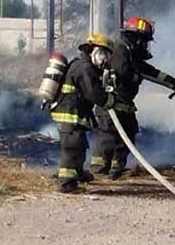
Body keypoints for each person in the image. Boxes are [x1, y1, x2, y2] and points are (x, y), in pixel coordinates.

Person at [90, 16, 175, 179]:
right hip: (110, 105)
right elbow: (122, 69)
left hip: (124, 105)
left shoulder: (132, 56)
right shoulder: (119, 49)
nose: (145, 45)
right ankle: (99, 169)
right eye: (144, 41)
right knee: (108, 137)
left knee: (128, 134)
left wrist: (173, 82)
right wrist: (135, 76)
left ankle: (116, 169)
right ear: (136, 38)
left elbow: (152, 73)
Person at [51, 34, 124, 193]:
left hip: (74, 113)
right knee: (72, 147)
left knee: (80, 145)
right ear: (94, 51)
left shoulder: (82, 65)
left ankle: (78, 172)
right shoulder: (85, 68)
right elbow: (93, 93)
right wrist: (110, 100)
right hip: (70, 114)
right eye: (104, 55)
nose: (106, 60)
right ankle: (66, 183)